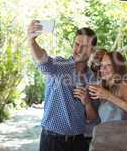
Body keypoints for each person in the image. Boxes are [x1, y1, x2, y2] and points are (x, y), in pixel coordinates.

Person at [28, 20, 98, 151]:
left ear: (92, 50)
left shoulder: (92, 78)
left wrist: (87, 103)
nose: (78, 49)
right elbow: (44, 62)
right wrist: (32, 41)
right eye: (77, 44)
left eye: (84, 46)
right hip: (52, 141)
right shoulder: (60, 65)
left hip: (78, 142)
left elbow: (93, 119)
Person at [87, 51, 127, 123]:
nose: (102, 69)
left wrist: (109, 96)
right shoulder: (105, 86)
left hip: (121, 133)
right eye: (102, 65)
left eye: (108, 65)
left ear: (117, 67)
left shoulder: (123, 85)